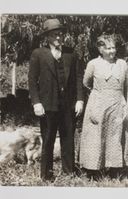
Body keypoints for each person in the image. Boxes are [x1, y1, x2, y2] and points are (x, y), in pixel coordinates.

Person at [28, 18, 84, 181]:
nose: (58, 37)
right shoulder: (38, 54)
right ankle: (46, 175)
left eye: (60, 34)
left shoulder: (70, 53)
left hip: (68, 105)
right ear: (47, 36)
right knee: (48, 140)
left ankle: (69, 173)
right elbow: (32, 80)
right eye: (54, 34)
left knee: (68, 139)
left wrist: (80, 99)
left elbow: (78, 77)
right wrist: (36, 102)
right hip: (47, 104)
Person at [79, 34, 128, 179]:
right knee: (95, 136)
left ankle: (114, 171)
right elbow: (86, 83)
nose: (111, 51)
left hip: (117, 104)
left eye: (113, 48)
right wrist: (99, 94)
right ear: (100, 49)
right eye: (107, 48)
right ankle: (93, 171)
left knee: (115, 137)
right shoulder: (93, 64)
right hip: (97, 104)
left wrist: (127, 105)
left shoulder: (122, 64)